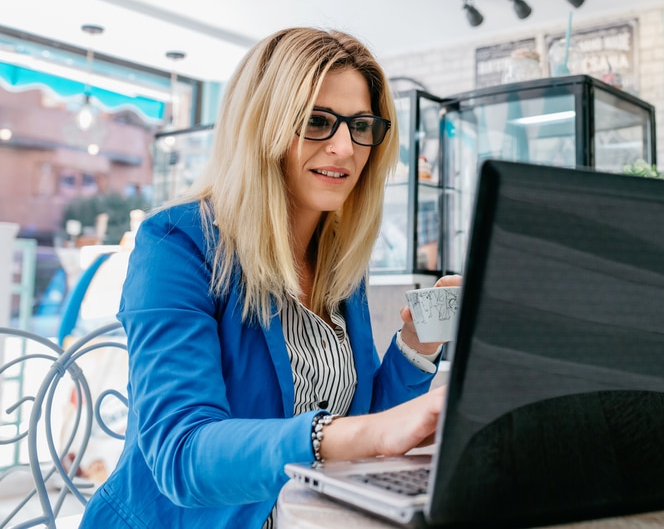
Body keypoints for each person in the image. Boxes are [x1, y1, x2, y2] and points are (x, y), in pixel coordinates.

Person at [80, 27, 458, 528]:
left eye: (361, 125)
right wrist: (355, 436)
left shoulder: (339, 262)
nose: (345, 147)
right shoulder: (176, 243)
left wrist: (417, 343)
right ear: (262, 127)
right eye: (318, 121)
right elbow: (183, 453)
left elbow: (369, 422)